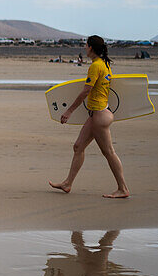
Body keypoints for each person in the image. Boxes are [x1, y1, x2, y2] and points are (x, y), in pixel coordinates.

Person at [50, 35, 129, 198]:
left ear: (91, 48)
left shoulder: (96, 67)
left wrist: (69, 111)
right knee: (78, 146)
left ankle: (123, 188)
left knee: (109, 152)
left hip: (100, 116)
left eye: (86, 45)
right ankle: (67, 183)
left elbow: (86, 91)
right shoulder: (104, 64)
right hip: (97, 114)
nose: (84, 47)